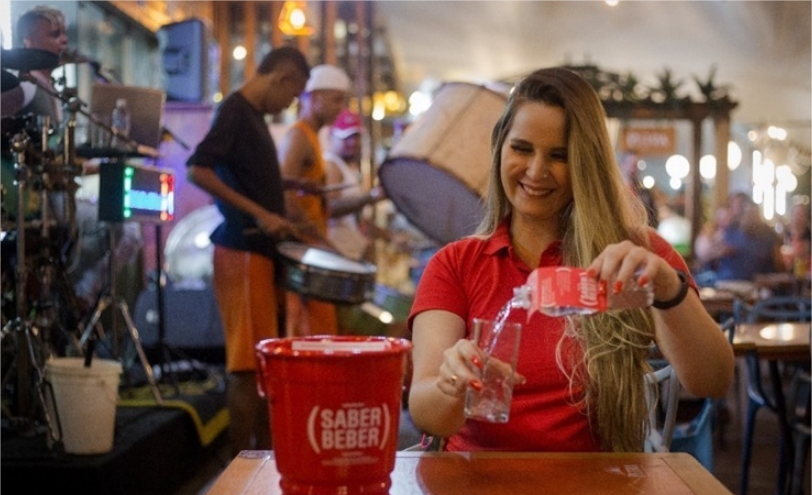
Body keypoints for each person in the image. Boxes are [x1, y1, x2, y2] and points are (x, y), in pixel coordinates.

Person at [407, 67, 735, 453]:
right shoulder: (456, 264)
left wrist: (667, 290)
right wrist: (452, 385)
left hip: (595, 484)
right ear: (500, 148)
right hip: (475, 483)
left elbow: (712, 380)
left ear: (586, 163)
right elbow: (427, 414)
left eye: (559, 156)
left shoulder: (633, 256)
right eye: (522, 149)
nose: (536, 171)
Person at [186, 46, 311, 456]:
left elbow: (242, 175)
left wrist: (288, 189)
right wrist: (261, 213)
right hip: (241, 251)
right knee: (245, 368)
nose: (290, 103)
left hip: (258, 254)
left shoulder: (252, 116)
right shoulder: (236, 111)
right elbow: (198, 169)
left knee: (263, 364)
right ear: (282, 77)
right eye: (293, 94)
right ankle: (239, 464)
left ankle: (265, 460)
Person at [277, 64, 351, 337]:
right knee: (308, 336)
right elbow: (284, 194)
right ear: (315, 98)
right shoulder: (299, 136)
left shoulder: (312, 137)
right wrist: (318, 240)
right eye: (336, 100)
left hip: (312, 249)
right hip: (304, 251)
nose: (340, 108)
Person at [322, 108, 386, 261]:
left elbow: (355, 218)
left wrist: (390, 236)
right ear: (332, 136)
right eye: (346, 137)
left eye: (356, 137)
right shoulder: (332, 164)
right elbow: (330, 208)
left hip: (350, 254)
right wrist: (370, 197)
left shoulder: (348, 167)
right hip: (336, 255)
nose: (353, 143)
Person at [1, 5, 67, 121]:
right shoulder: (27, 86)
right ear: (28, 41)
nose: (64, 40)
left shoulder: (47, 86)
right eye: (55, 34)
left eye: (64, 33)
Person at [714, 192, 784, 282]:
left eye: (754, 215)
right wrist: (722, 251)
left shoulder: (768, 235)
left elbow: (778, 264)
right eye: (748, 214)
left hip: (756, 283)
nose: (751, 218)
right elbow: (715, 253)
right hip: (726, 280)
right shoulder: (731, 230)